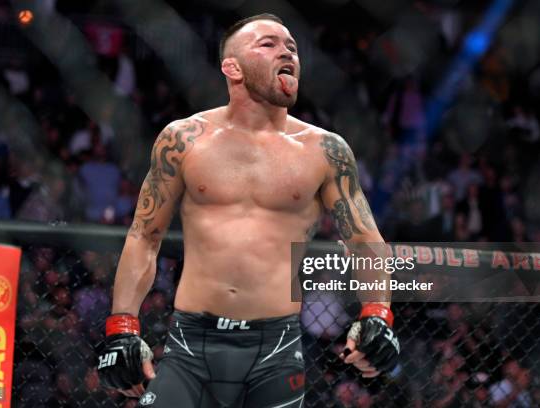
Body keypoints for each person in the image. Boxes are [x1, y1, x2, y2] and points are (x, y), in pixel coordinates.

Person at [98, 14, 399, 407]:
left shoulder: (325, 150)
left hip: (275, 349)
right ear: (232, 67)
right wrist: (123, 324)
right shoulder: (184, 139)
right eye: (268, 44)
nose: (287, 51)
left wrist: (377, 313)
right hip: (192, 341)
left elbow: (362, 238)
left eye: (291, 46)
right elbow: (144, 235)